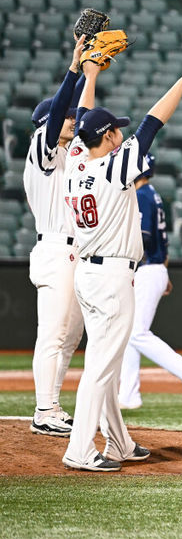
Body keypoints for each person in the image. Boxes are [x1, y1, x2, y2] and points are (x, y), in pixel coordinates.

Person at [62, 60, 182, 472]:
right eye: (116, 130)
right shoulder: (113, 167)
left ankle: (119, 442)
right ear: (108, 137)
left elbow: (81, 121)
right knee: (99, 369)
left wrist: (88, 76)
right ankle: (79, 450)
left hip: (88, 274)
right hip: (111, 277)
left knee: (105, 365)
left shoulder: (76, 162)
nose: (122, 134)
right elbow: (153, 122)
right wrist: (181, 79)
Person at [23, 35, 87, 436]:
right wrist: (75, 67)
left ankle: (53, 405)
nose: (72, 120)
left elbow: (74, 106)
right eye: (65, 117)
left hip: (75, 253)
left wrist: (92, 67)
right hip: (54, 249)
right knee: (54, 332)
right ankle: (43, 409)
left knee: (70, 337)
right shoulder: (40, 149)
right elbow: (63, 105)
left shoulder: (67, 153)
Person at [118, 156, 182, 410]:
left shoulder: (142, 195)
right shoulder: (152, 194)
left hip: (147, 268)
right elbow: (162, 242)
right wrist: (162, 272)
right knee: (131, 332)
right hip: (154, 268)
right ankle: (128, 394)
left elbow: (142, 238)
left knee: (136, 333)